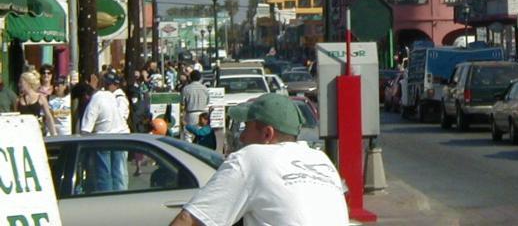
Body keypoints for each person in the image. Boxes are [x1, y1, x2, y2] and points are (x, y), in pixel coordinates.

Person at [169, 93, 348, 226]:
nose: (242, 137)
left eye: (247, 127)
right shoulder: (321, 160)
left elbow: (188, 221)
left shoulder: (251, 157)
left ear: (267, 133)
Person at [81, 75, 130, 192]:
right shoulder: (110, 96)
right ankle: (121, 196)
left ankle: (106, 198)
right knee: (119, 173)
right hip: (120, 136)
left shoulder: (95, 100)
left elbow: (85, 129)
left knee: (104, 175)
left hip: (103, 138)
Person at [16, 71, 57, 136]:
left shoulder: (40, 97)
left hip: (38, 132)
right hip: (23, 133)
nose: (19, 85)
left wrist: (54, 134)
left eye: (21, 82)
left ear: (28, 83)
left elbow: (48, 117)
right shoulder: (18, 100)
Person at [181, 70, 210, 143]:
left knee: (188, 134)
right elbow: (207, 101)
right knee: (202, 133)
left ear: (190, 77)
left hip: (191, 113)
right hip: (203, 113)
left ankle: (189, 150)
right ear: (200, 77)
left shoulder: (186, 88)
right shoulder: (204, 88)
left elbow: (182, 102)